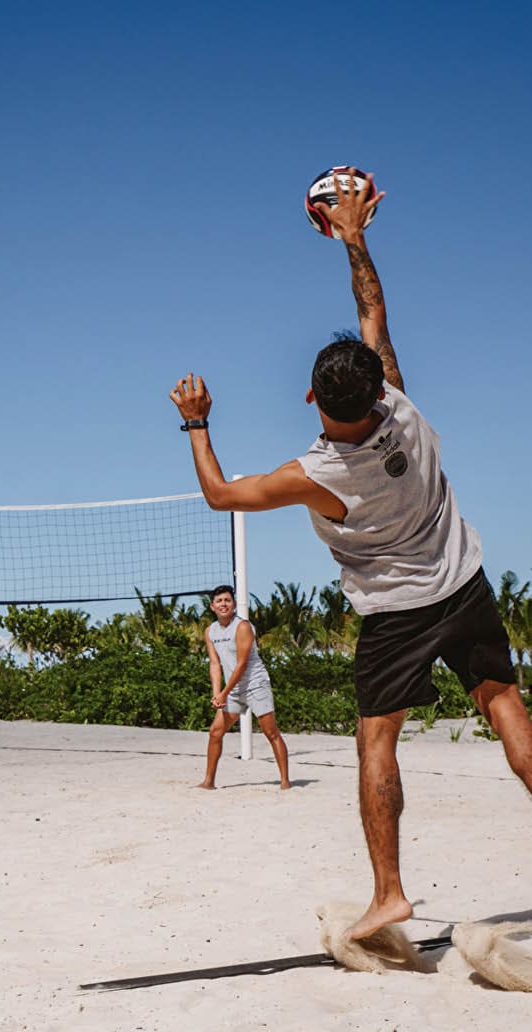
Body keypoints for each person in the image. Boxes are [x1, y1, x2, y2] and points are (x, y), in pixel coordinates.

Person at [170, 169, 532, 942]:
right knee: (505, 710)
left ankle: (391, 894)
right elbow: (372, 309)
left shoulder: (316, 475)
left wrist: (196, 424)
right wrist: (354, 236)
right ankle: (393, 891)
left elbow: (220, 495)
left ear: (311, 401)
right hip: (463, 585)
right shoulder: (398, 400)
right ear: (376, 384)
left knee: (377, 739)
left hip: (397, 614)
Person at [200, 584, 291, 790]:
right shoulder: (210, 631)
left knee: (271, 732)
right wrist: (217, 693)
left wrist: (224, 692)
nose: (223, 604)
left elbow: (241, 664)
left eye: (227, 600)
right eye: (219, 601)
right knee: (215, 732)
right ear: (212, 606)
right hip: (232, 691)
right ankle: (208, 782)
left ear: (233, 604)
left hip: (255, 684)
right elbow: (215, 663)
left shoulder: (242, 627)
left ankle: (285, 782)